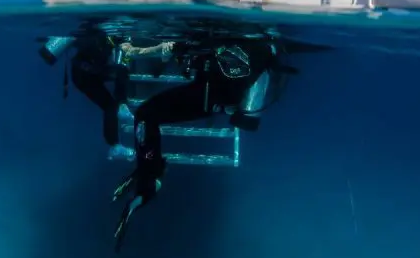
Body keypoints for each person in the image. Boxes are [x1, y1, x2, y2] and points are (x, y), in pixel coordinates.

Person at [111, 37, 291, 252]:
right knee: (147, 116)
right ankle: (149, 169)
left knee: (145, 116)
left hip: (204, 96)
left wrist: (133, 50)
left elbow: (167, 48)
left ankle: (150, 177)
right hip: (211, 100)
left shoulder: (214, 42)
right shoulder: (254, 49)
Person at [38, 24, 174, 159]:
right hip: (82, 77)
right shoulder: (91, 32)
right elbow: (51, 52)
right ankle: (115, 142)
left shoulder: (117, 35)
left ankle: (121, 112)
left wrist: (158, 49)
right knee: (109, 104)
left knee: (120, 77)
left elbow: (130, 51)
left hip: (96, 71)